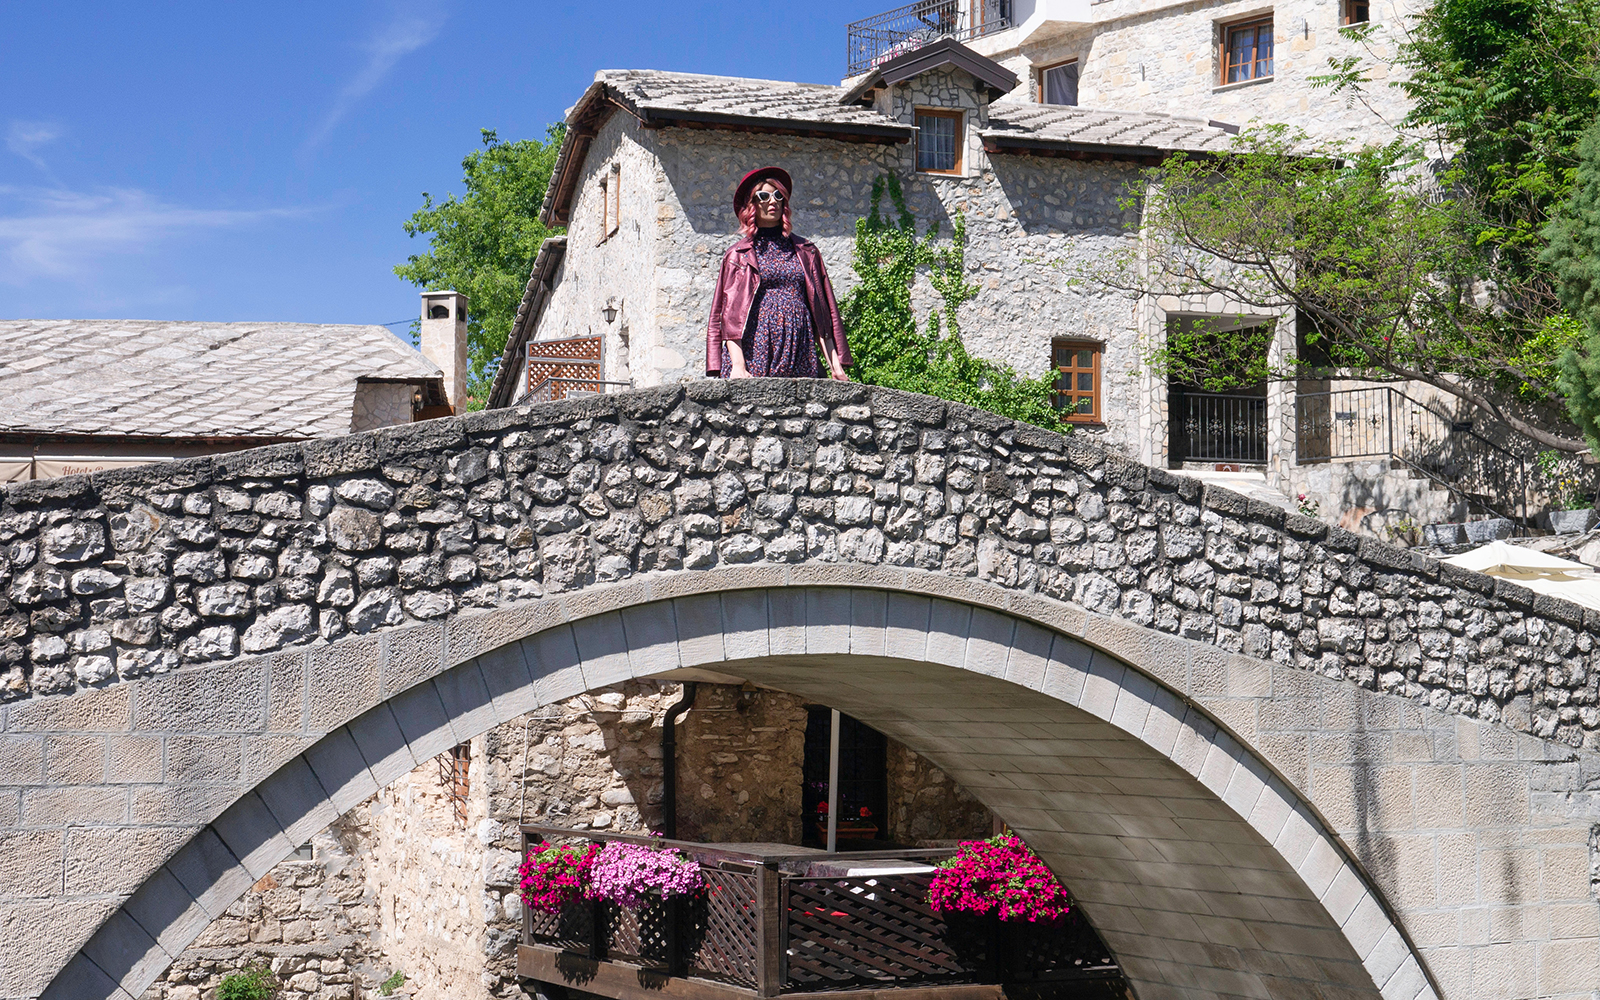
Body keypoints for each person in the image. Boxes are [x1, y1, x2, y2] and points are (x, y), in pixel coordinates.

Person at [705, 166, 851, 380]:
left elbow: (822, 314)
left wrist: (835, 366)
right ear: (752, 204)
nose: (772, 201)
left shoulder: (806, 251)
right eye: (763, 196)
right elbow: (730, 317)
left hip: (800, 352)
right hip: (755, 353)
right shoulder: (738, 255)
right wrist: (738, 365)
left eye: (778, 195)